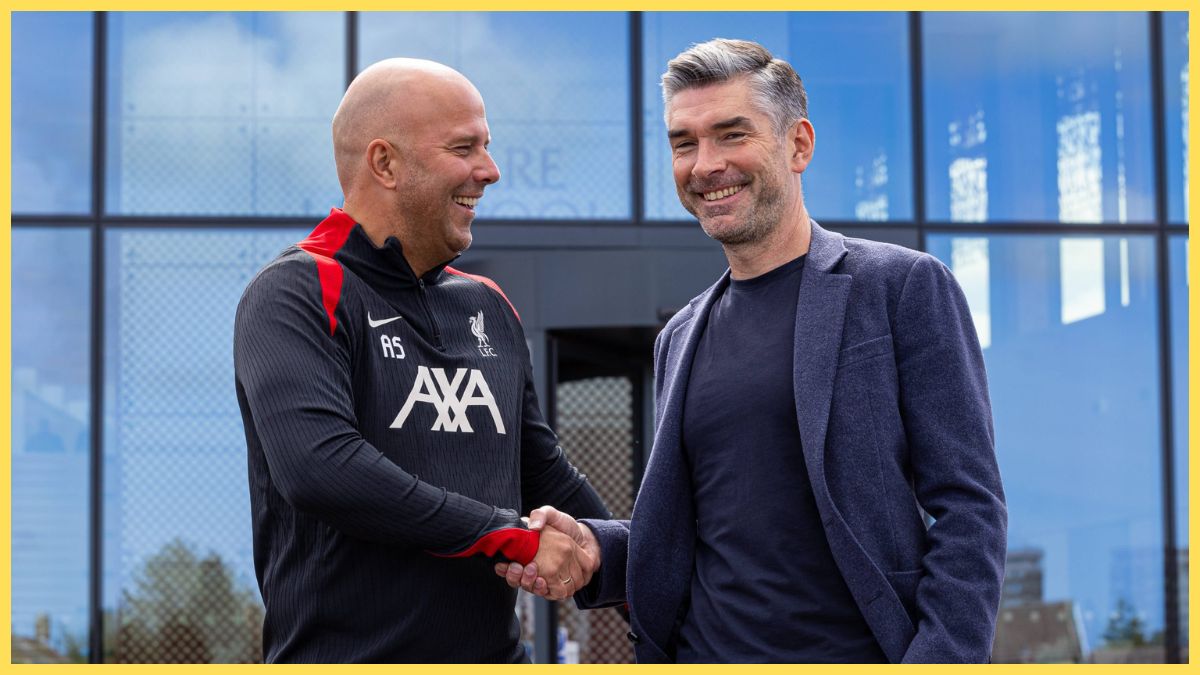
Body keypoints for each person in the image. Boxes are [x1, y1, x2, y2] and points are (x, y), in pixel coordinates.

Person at [497, 39, 1007, 663]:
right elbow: (705, 536)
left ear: (798, 144)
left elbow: (969, 509)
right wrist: (595, 547)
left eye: (731, 135)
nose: (705, 164)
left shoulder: (901, 288)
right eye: (684, 143)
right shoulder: (679, 337)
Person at [234, 58, 608, 663]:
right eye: (464, 148)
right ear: (385, 163)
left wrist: (633, 571)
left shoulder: (488, 306)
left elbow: (543, 474)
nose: (490, 171)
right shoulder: (296, 293)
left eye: (486, 146)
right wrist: (507, 538)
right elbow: (323, 469)